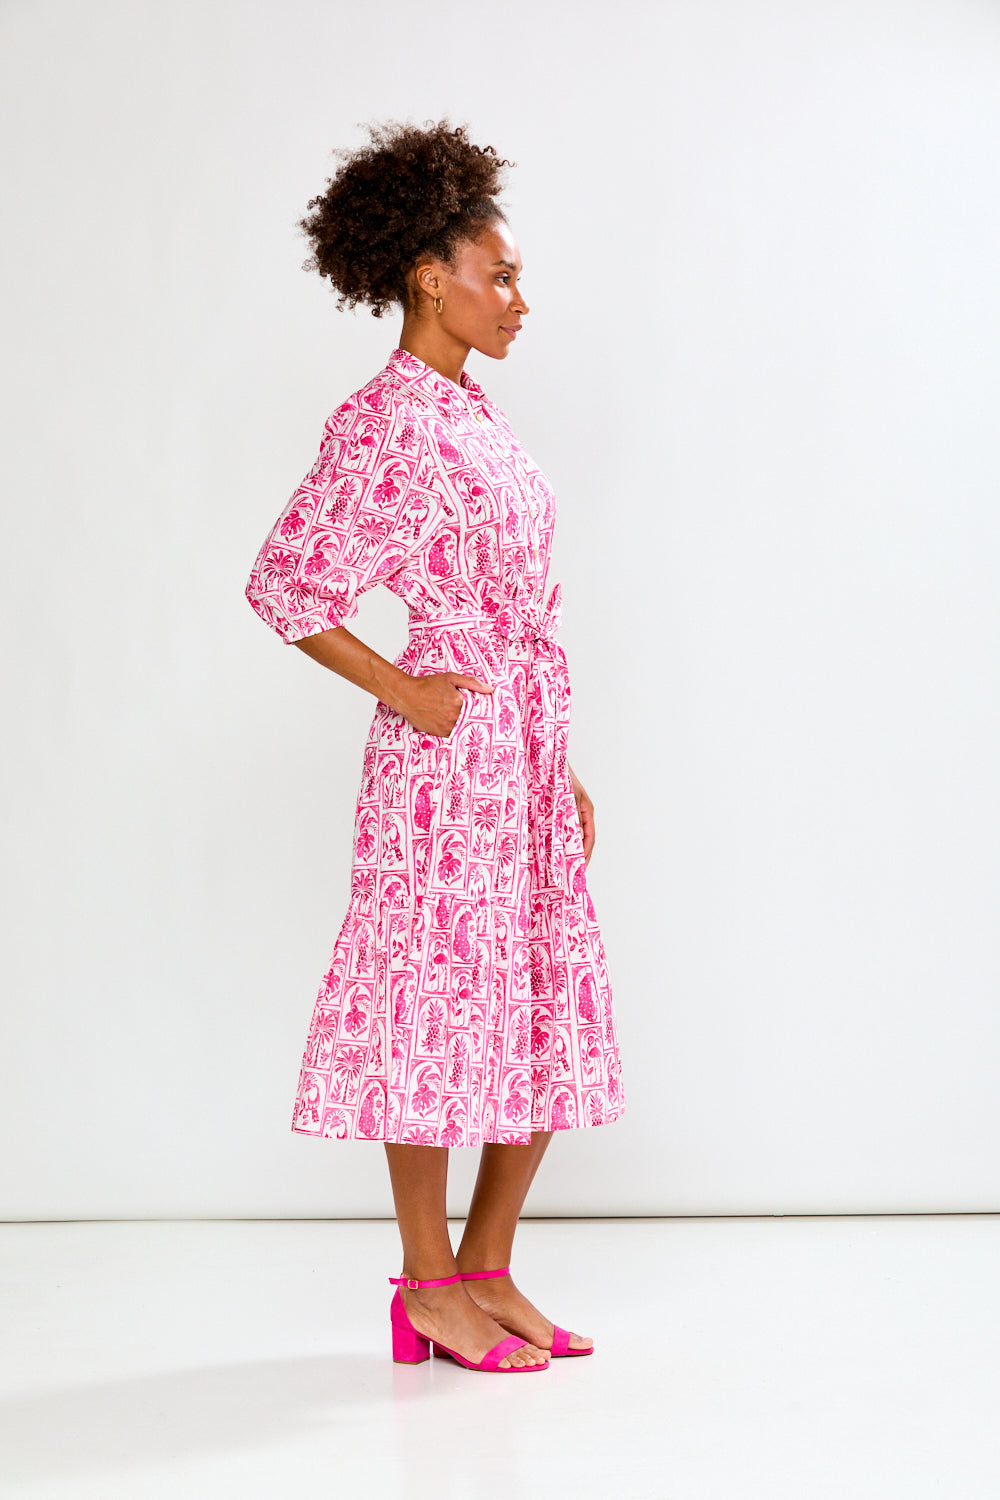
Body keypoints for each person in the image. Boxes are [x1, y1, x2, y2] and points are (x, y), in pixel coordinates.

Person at [245, 119, 625, 1374]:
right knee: (431, 1009)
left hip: (516, 751)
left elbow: (515, 603)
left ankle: (488, 1266)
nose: (519, 298)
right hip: (442, 771)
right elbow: (288, 584)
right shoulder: (386, 422)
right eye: (498, 274)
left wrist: (554, 760)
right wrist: (404, 690)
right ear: (428, 278)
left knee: (535, 1000)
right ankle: (423, 1284)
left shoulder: (472, 410)